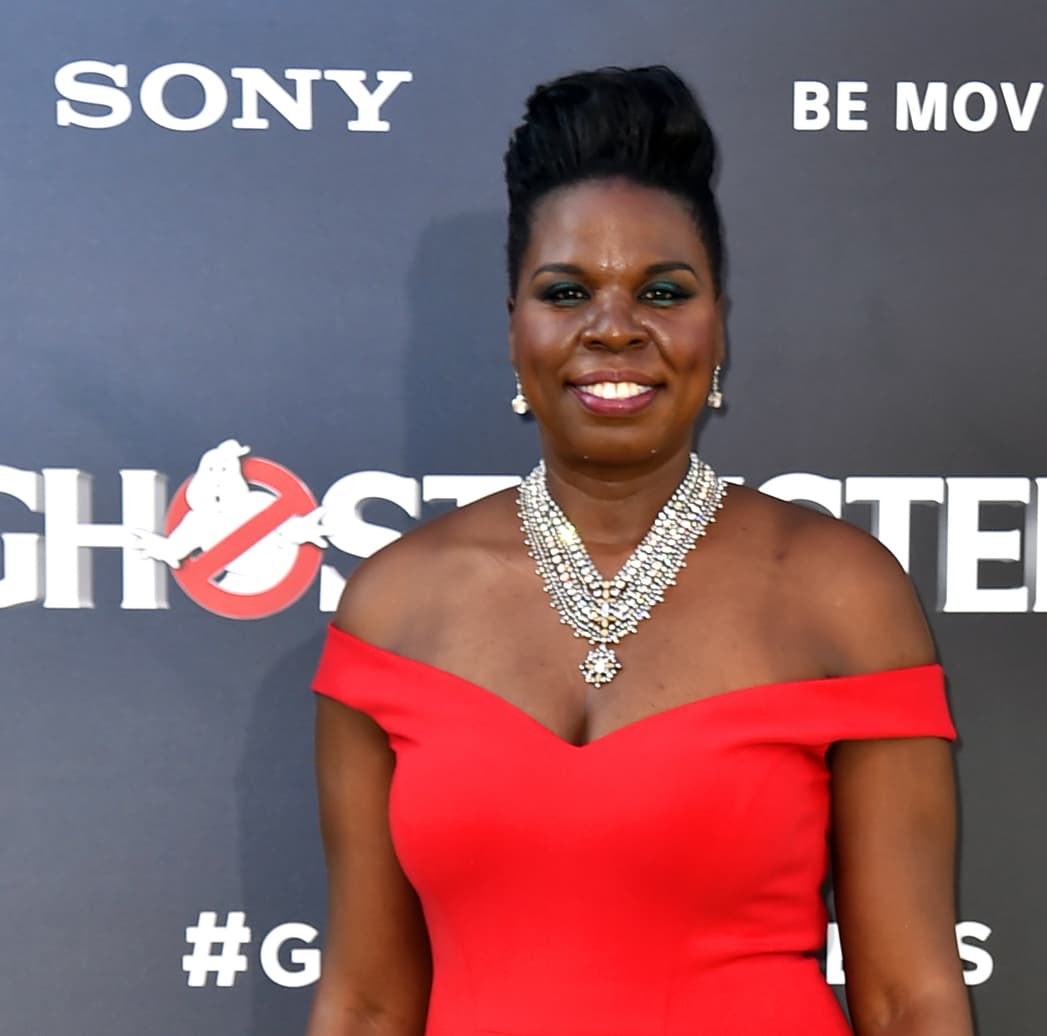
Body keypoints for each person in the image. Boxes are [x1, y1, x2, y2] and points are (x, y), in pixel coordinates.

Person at [306, 65, 973, 1036]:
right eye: (566, 289)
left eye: (662, 290)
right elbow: (365, 1002)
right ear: (512, 330)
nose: (613, 326)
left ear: (717, 327)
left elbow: (907, 997)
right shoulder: (396, 608)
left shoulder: (838, 593)